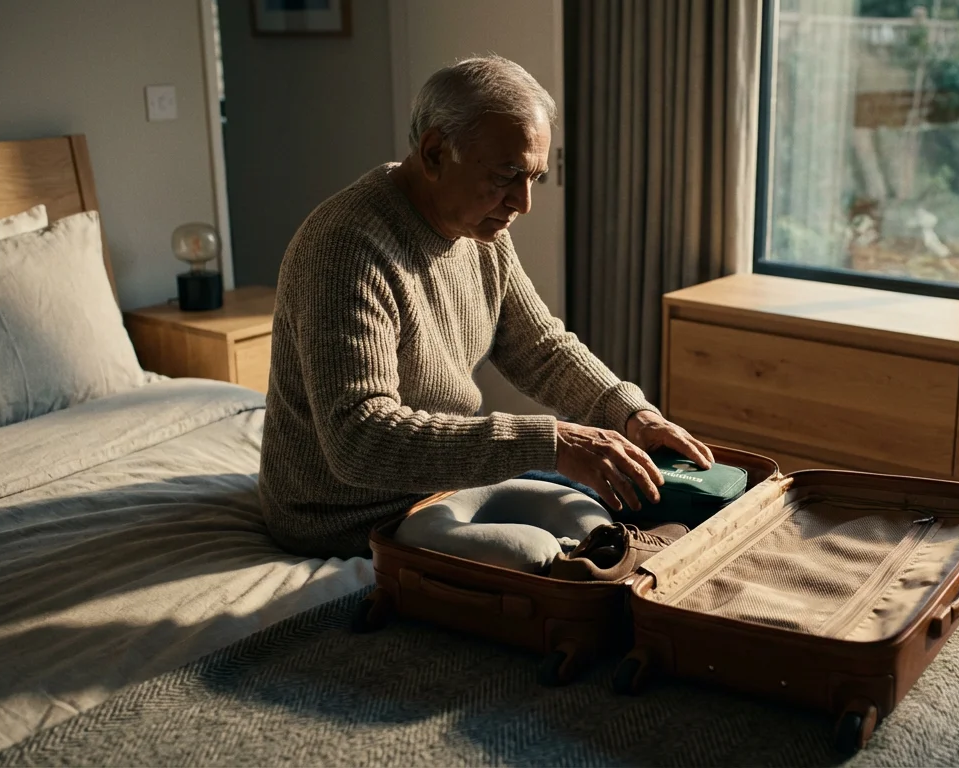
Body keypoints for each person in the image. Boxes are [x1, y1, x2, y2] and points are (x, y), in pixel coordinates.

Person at [258, 56, 713, 558]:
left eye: (534, 177)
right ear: (434, 153)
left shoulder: (480, 230)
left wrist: (631, 414)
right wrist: (553, 443)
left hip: (442, 483)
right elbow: (358, 440)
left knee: (645, 499)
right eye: (507, 174)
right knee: (567, 551)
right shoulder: (344, 247)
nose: (523, 202)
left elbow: (539, 348)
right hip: (348, 514)